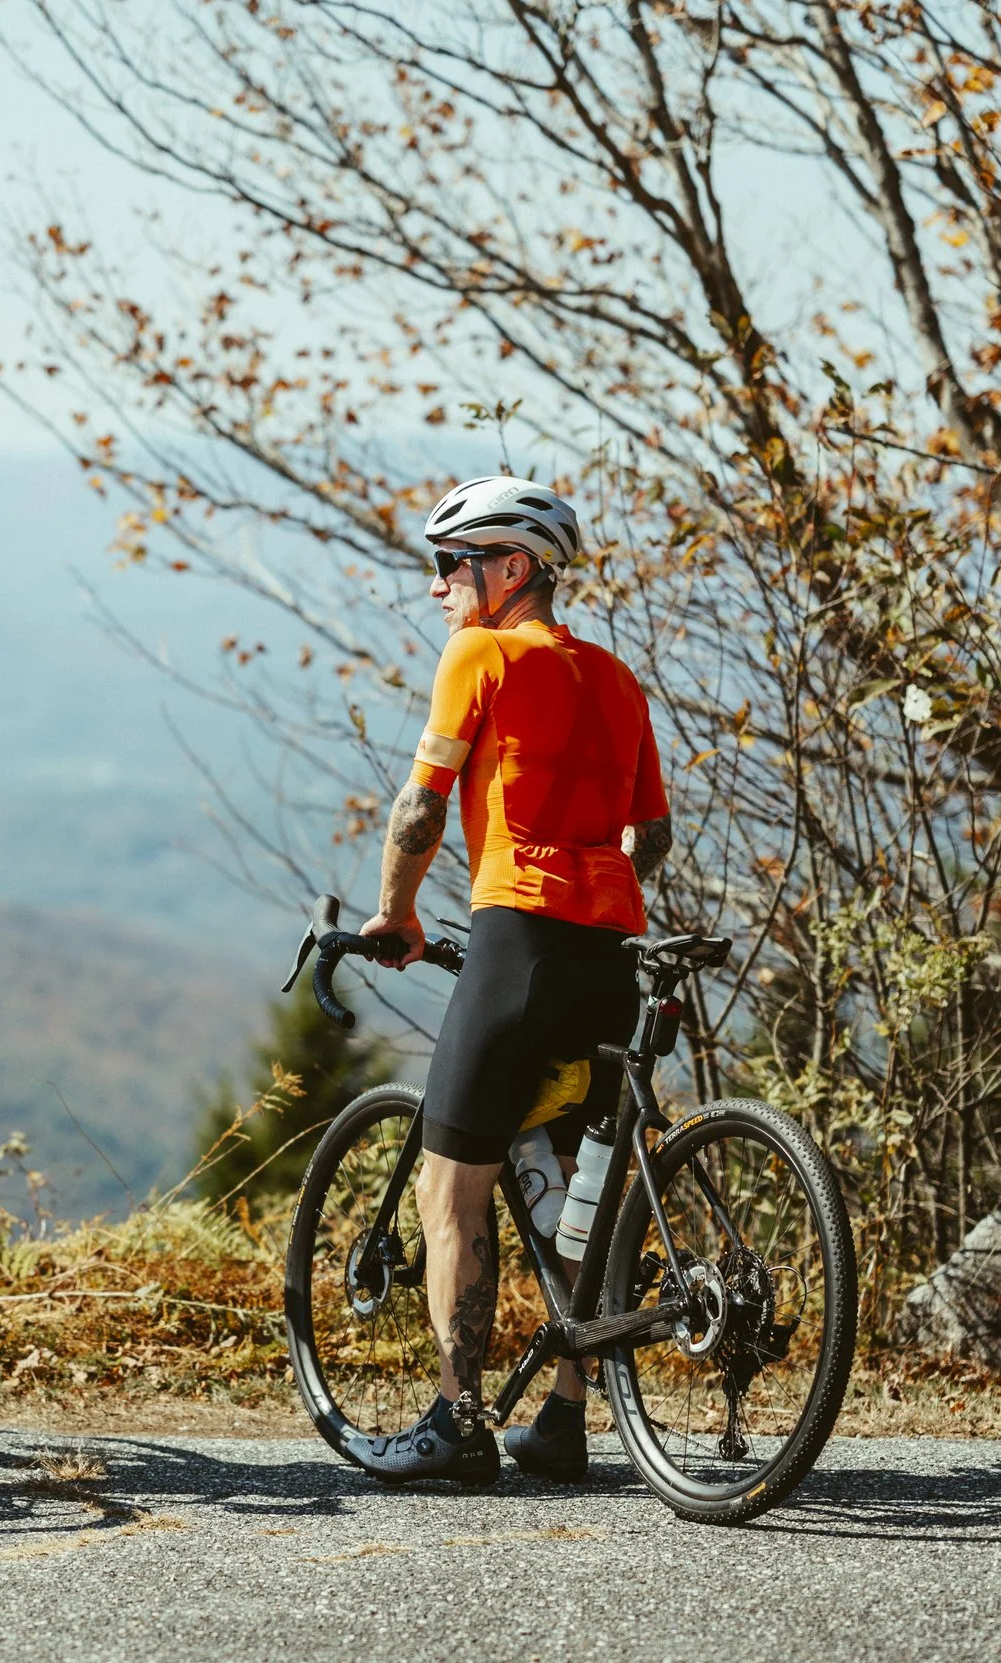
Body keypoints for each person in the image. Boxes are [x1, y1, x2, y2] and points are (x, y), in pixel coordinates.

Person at [354, 475, 672, 1486]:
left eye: (450, 565)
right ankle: (564, 1418)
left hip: (518, 939)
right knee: (572, 1185)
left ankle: (455, 1422)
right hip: (610, 949)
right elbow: (649, 835)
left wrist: (395, 913)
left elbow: (418, 808)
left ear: (509, 569)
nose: (438, 585)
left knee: (451, 1188)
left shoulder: (478, 653)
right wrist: (593, 895)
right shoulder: (617, 678)